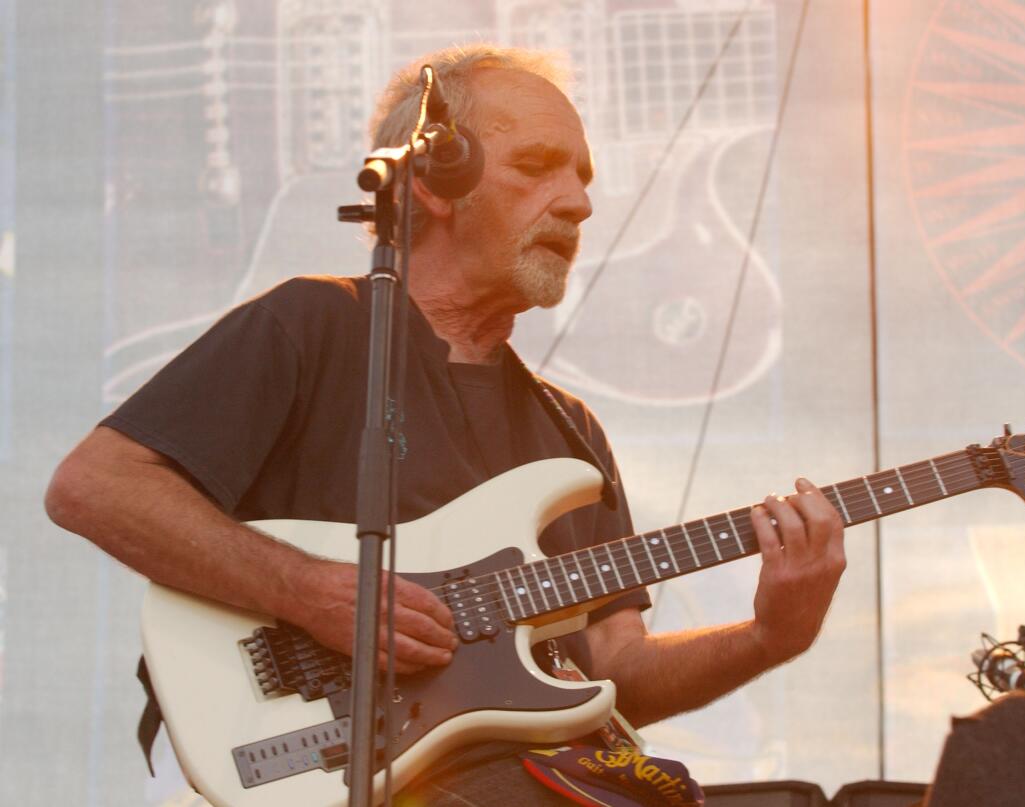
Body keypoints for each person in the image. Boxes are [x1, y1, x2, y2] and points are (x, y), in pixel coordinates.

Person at [44, 45, 846, 806]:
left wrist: (772, 633)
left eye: (583, 175)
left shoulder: (569, 432)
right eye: (538, 167)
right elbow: (96, 486)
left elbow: (618, 668)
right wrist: (310, 591)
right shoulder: (311, 325)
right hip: (282, 758)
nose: (579, 200)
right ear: (432, 182)